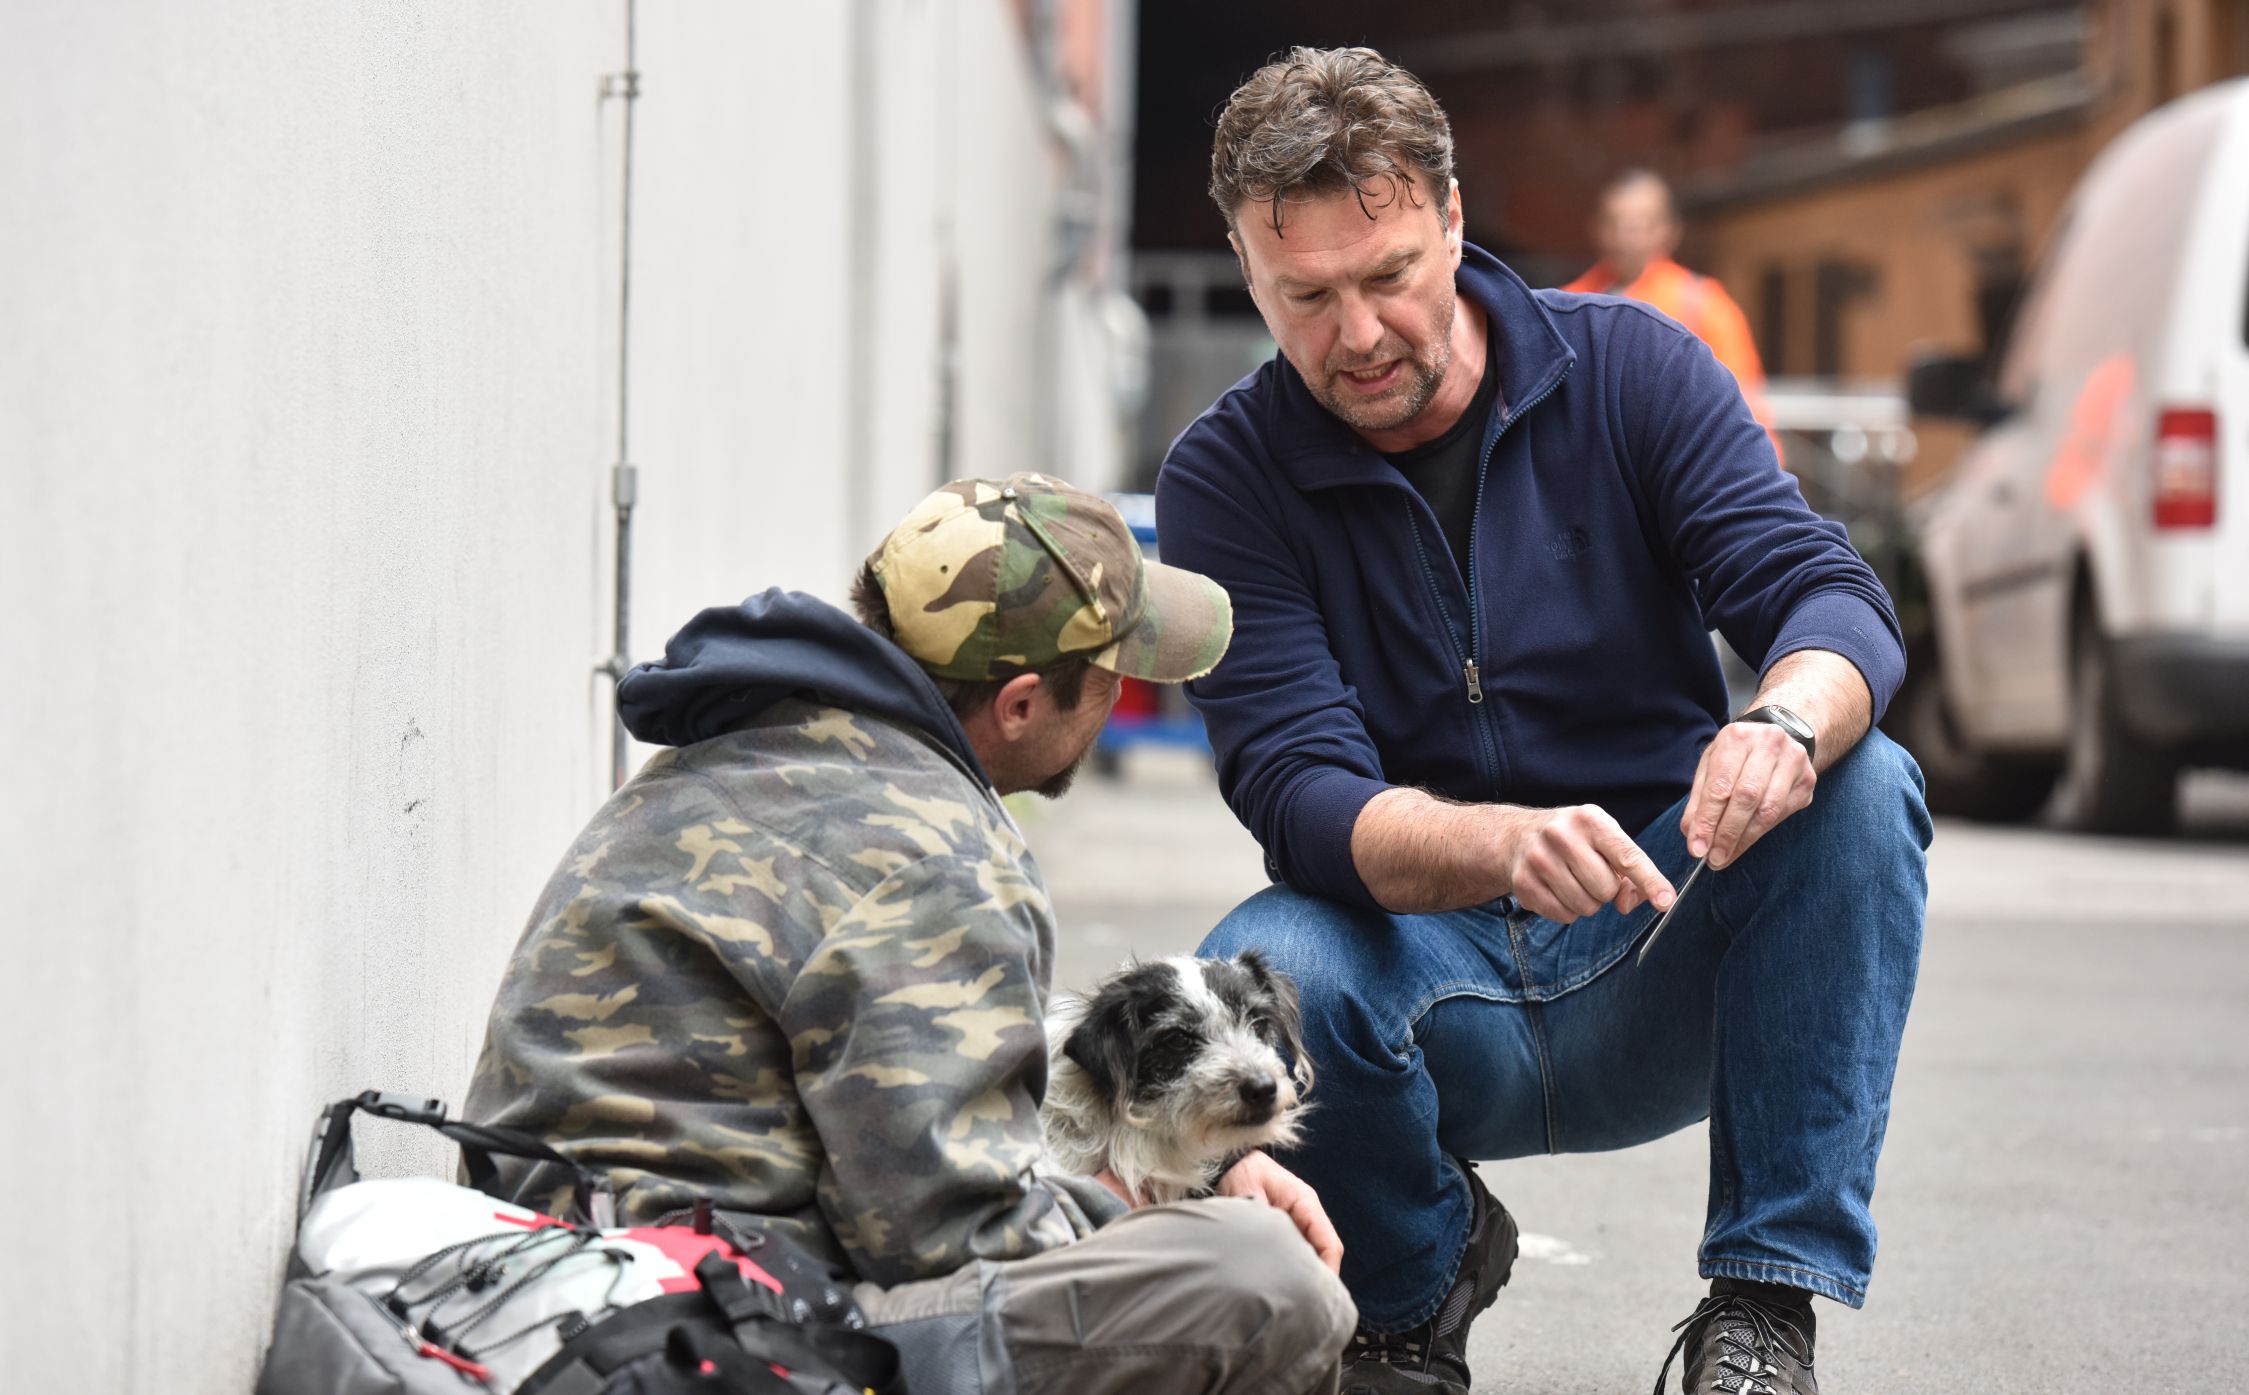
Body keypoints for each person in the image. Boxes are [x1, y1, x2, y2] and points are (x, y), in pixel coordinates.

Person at [1154, 47, 1930, 1395]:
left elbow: (1825, 593)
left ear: (1452, 221)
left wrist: (1785, 726)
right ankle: (1411, 1284)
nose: (1356, 335)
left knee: (1863, 784)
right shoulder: (1227, 474)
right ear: (1245, 266)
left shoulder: (1634, 369)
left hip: (1665, 926)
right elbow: (1298, 788)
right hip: (1420, 974)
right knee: (1253, 972)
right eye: (1305, 296)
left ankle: (1763, 1306)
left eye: (1388, 273)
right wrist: (1497, 842)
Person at [465, 473, 1356, 1394]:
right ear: (1018, 704)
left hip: (552, 1280)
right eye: (1106, 676)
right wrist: (1172, 1211)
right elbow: (945, 1236)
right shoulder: (936, 852)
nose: (1116, 694)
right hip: (694, 1328)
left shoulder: (730, 751)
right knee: (1263, 1280)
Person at [1563, 167, 1783, 463]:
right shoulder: (1570, 304)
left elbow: (1746, 403)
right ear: (1597, 228)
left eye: (1641, 224)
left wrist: (1762, 471)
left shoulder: (1703, 303)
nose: (1628, 236)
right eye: (1617, 223)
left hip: (1682, 465)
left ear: (1670, 230)